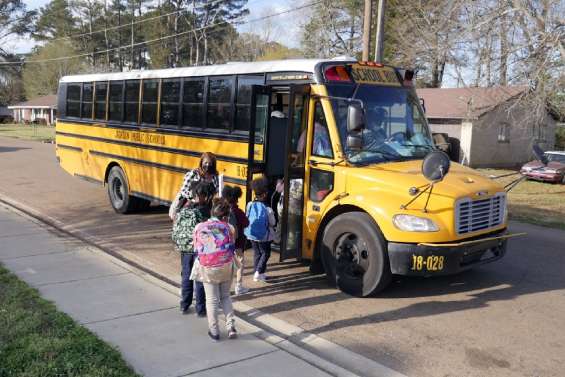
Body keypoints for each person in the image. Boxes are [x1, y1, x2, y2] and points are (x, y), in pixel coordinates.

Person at [191, 198, 237, 341]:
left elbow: (195, 248)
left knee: (211, 300)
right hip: (226, 266)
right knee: (225, 297)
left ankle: (215, 331)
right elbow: (232, 244)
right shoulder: (229, 227)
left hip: (208, 268)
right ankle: (231, 327)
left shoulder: (199, 227)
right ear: (225, 216)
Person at [171, 182, 215, 316]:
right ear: (205, 196)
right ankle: (200, 309)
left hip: (185, 248)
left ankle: (184, 305)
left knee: (186, 276)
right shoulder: (204, 211)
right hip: (198, 250)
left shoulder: (186, 207)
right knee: (199, 278)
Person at [169, 152, 219, 221]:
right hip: (191, 205)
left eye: (210, 163)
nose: (207, 165)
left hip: (207, 207)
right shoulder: (194, 174)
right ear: (201, 162)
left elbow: (217, 191)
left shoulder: (215, 176)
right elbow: (184, 191)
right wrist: (194, 199)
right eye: (206, 163)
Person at [244, 177, 276, 283]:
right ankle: (258, 271)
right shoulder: (268, 209)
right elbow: (273, 223)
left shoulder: (250, 204)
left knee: (257, 253)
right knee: (266, 253)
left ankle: (257, 274)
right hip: (263, 236)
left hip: (251, 234)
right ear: (264, 194)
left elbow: (247, 216)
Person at [222, 185, 250, 295]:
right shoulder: (238, 212)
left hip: (225, 244)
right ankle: (238, 286)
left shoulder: (222, 211)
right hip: (238, 243)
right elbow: (246, 223)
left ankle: (225, 288)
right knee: (239, 264)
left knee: (227, 266)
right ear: (237, 199)